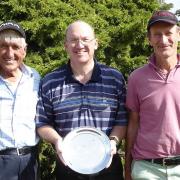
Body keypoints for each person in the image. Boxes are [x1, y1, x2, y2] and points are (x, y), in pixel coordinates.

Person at [35, 20, 127, 180]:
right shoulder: (50, 81)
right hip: (68, 166)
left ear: (96, 43)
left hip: (108, 166)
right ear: (65, 45)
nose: (79, 45)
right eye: (73, 40)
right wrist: (57, 141)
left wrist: (113, 141)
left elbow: (122, 119)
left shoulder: (114, 78)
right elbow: (42, 124)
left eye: (85, 39)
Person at [125, 10, 180, 180]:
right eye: (157, 34)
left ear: (178, 35)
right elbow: (133, 123)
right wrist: (127, 166)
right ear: (149, 39)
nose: (163, 40)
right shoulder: (136, 78)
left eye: (168, 33)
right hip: (147, 169)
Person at [0, 21, 40, 180]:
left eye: (15, 47)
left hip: (29, 161)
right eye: (3, 45)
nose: (9, 53)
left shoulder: (35, 78)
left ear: (24, 50)